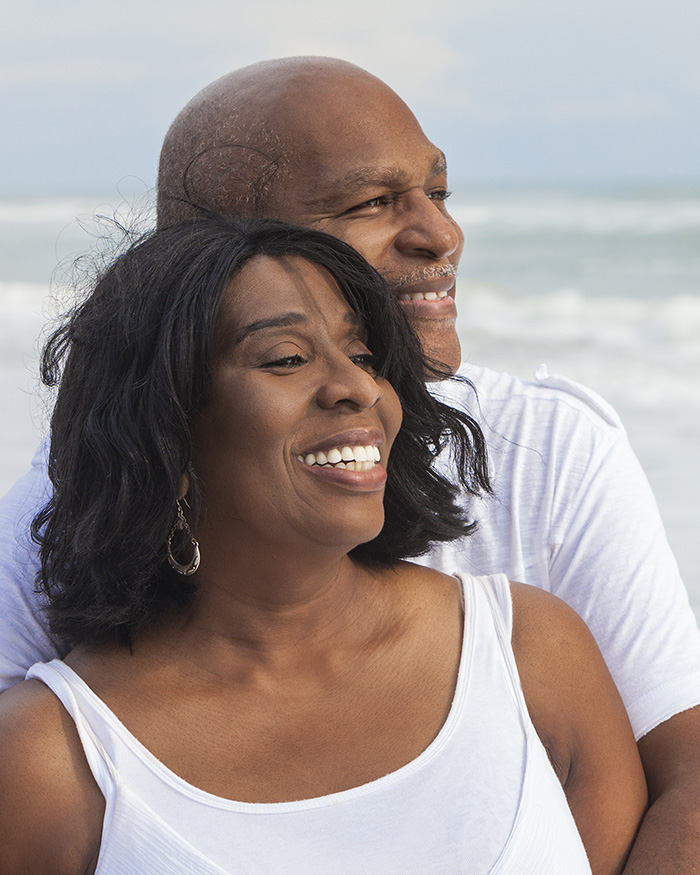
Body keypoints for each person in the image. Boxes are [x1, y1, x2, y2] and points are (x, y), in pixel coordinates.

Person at [0, 56, 698, 869]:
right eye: (370, 202)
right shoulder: (57, 625)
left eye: (437, 193)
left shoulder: (540, 527)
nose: (441, 235)